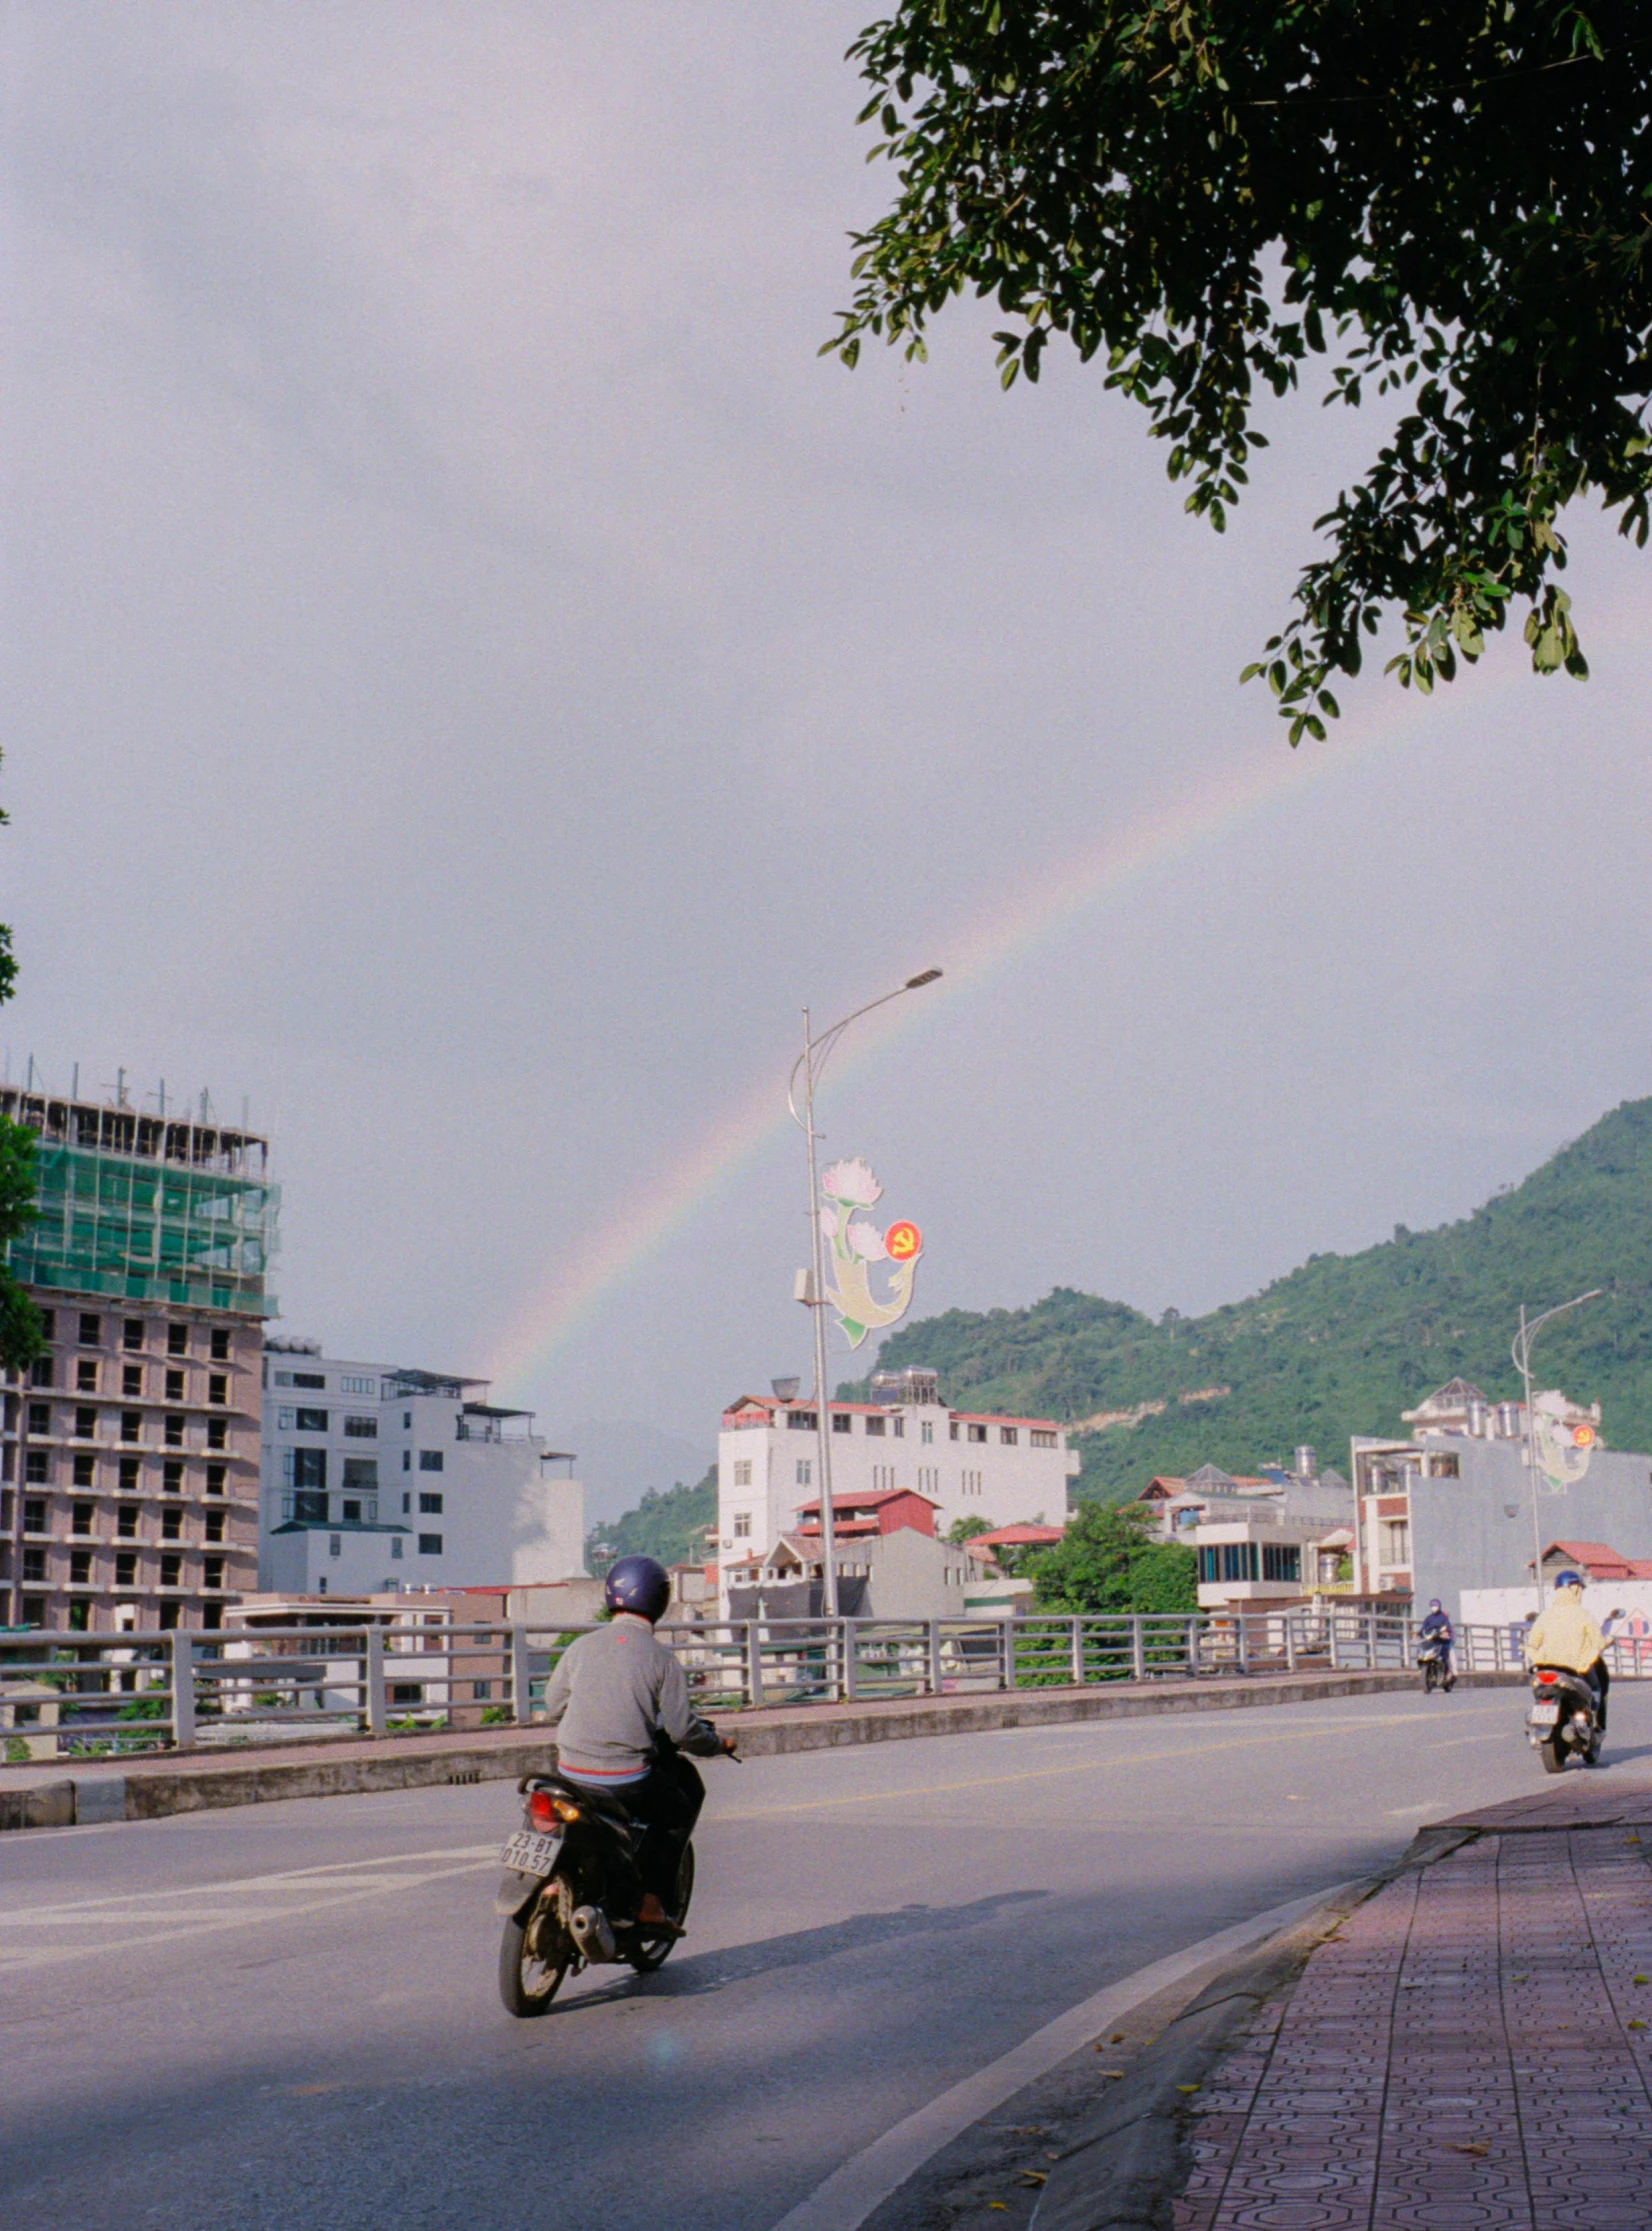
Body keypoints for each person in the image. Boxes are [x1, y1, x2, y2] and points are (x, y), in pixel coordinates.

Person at [543, 1554, 730, 1926]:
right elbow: (683, 1731)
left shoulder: (580, 1647)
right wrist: (719, 1744)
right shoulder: (662, 1659)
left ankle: (549, 1882)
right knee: (677, 1811)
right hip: (623, 1780)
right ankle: (649, 1903)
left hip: (567, 1770)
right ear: (659, 1600)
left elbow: (552, 1706)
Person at [1524, 1569, 1609, 1732]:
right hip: (1575, 1669)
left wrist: (1538, 1659)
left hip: (1546, 1668)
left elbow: (1532, 1645)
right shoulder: (1584, 1615)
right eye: (1580, 1589)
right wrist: (1607, 1642)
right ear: (1575, 1589)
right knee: (1596, 1687)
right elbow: (1598, 1643)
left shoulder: (1545, 1616)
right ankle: (1595, 1723)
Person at [1418, 1597, 1455, 1690]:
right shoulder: (1428, 1618)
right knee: (1421, 1650)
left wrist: (1446, 1633)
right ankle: (1423, 1671)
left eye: (1436, 1606)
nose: (1434, 1607)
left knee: (1442, 1657)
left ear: (1439, 1606)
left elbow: (1448, 1628)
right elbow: (1423, 1629)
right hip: (1431, 1641)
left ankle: (1447, 1673)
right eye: (1432, 1606)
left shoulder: (1443, 1617)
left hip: (1442, 1642)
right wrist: (1418, 1634)